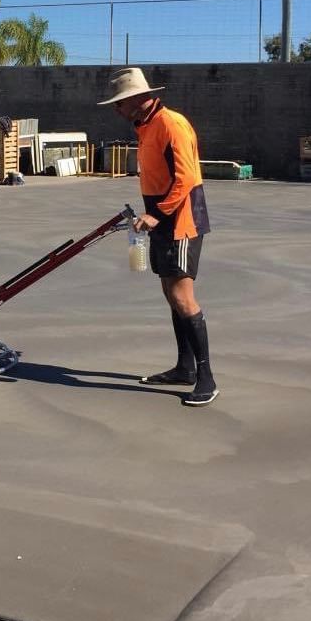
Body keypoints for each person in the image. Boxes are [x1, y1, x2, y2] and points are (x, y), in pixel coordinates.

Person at [98, 67, 218, 406]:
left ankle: (206, 377)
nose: (116, 110)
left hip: (181, 219)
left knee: (182, 295)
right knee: (169, 291)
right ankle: (185, 367)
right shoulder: (145, 126)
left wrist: (157, 213)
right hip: (163, 216)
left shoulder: (171, 124)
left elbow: (186, 179)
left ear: (136, 99)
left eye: (119, 104)